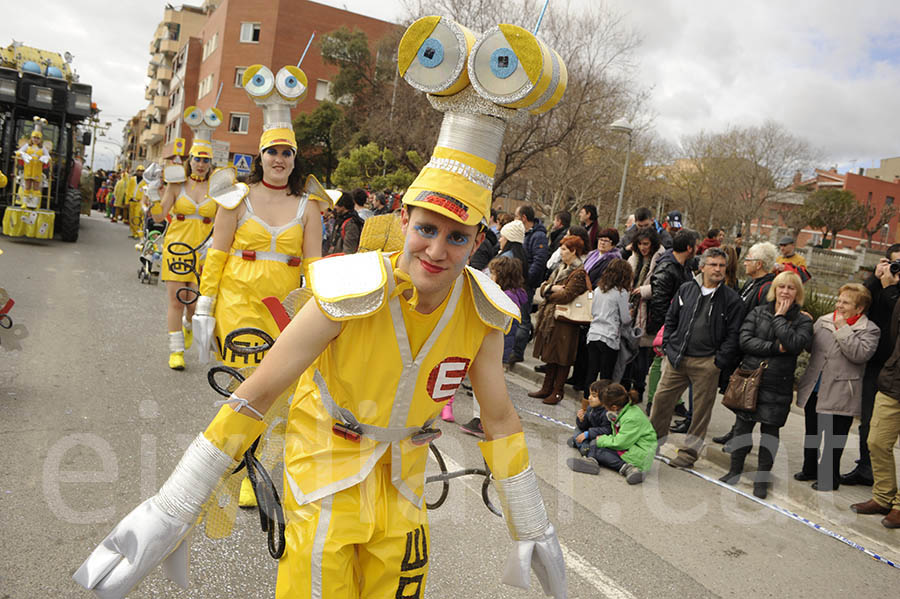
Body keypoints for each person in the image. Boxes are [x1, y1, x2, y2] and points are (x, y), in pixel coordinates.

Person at [75, 26, 566, 596]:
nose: (436, 250)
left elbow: (501, 417)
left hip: (402, 491)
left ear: (479, 238)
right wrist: (174, 505)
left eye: (457, 238)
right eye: (426, 229)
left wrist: (531, 520)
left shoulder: (482, 310)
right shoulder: (350, 289)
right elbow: (259, 391)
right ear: (403, 220)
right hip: (326, 476)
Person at [718, 271, 813, 498]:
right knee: (742, 428)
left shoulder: (804, 320)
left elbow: (794, 344)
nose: (785, 292)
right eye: (781, 287)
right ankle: (734, 470)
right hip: (751, 379)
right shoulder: (758, 312)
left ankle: (761, 480)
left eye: (791, 288)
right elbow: (745, 341)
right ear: (775, 289)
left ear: (797, 292)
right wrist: (774, 348)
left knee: (770, 433)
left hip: (778, 384)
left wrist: (779, 318)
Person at [650, 247, 743, 469]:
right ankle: (651, 442)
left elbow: (734, 334)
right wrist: (669, 346)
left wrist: (718, 361)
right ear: (702, 266)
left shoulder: (731, 299)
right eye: (713, 264)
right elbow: (671, 319)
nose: (718, 269)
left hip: (707, 363)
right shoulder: (686, 289)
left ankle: (689, 453)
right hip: (677, 358)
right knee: (661, 400)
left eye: (721, 265)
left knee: (701, 410)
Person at [155, 106, 221, 370]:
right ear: (190, 159)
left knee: (193, 305)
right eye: (197, 159)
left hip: (203, 251)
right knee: (175, 300)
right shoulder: (176, 184)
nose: (201, 164)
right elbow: (160, 216)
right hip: (176, 247)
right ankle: (176, 350)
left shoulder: (217, 187)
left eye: (205, 160)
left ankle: (187, 326)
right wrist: (151, 195)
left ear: (210, 162)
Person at [795, 283, 878, 491]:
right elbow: (809, 346)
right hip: (815, 386)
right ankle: (809, 468)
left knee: (833, 438)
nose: (840, 305)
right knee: (812, 432)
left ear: (859, 309)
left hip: (842, 390)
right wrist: (804, 324)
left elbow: (859, 355)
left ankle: (829, 478)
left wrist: (843, 328)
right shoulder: (824, 321)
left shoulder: (870, 330)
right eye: (839, 300)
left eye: (846, 302)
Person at [843, 244, 900, 486]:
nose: (896, 270)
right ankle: (866, 468)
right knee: (868, 421)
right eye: (893, 263)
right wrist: (875, 278)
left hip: (895, 367)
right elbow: (860, 301)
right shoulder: (879, 284)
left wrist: (890, 287)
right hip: (876, 365)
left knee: (884, 430)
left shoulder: (893, 289)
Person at [713, 241, 779, 447]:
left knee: (747, 396)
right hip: (742, 347)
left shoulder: (767, 288)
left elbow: (762, 322)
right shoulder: (752, 283)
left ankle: (741, 438)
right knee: (740, 395)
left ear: (759, 264)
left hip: (751, 351)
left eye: (749, 259)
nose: (745, 263)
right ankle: (737, 432)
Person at [460, 256, 529, 436]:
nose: (490, 276)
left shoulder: (502, 298)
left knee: (486, 387)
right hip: (503, 348)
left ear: (502, 276)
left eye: (493, 273)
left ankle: (482, 420)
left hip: (495, 349)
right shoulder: (515, 295)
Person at [528, 235, 588, 405]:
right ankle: (547, 387)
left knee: (562, 356)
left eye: (564, 249)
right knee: (551, 354)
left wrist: (548, 291)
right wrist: (551, 288)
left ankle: (557, 391)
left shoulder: (579, 272)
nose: (560, 252)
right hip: (552, 317)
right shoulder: (560, 267)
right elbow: (544, 287)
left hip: (566, 320)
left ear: (573, 251)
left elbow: (566, 295)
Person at [645, 229, 697, 408]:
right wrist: (666, 327)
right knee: (660, 361)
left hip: (680, 322)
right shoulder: (667, 268)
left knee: (675, 364)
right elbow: (659, 302)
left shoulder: (685, 266)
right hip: (668, 323)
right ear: (689, 248)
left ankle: (675, 400)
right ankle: (654, 400)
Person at [566, 383, 657, 484]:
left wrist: (600, 440)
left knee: (598, 447)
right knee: (595, 444)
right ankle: (591, 460)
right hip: (631, 447)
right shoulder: (623, 410)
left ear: (613, 407)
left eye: (605, 406)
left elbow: (621, 443)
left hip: (641, 454)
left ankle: (629, 468)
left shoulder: (631, 418)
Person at [583, 258, 633, 395]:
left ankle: (586, 403)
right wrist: (630, 313)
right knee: (606, 377)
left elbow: (593, 311)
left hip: (593, 334)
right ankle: (602, 405)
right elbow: (625, 319)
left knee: (591, 373)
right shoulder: (621, 293)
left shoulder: (599, 289)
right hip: (609, 337)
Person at [627, 228, 665, 402]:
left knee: (642, 352)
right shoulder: (635, 258)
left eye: (646, 244)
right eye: (640, 244)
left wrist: (643, 291)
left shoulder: (659, 259)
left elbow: (660, 286)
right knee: (629, 351)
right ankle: (628, 386)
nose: (643, 247)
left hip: (647, 309)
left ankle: (639, 389)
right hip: (632, 306)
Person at [508, 204, 548, 363]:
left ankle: (517, 352)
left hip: (525, 284)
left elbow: (539, 261)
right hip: (518, 281)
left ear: (524, 218)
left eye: (517, 217)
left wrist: (526, 279)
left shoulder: (538, 236)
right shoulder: (526, 234)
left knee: (523, 320)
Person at [568, 379, 612, 455]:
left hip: (599, 436)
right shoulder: (590, 408)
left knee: (595, 442)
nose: (589, 398)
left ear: (604, 398)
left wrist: (588, 434)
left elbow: (607, 430)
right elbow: (585, 425)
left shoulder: (607, 413)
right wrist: (581, 420)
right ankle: (582, 444)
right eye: (590, 394)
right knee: (578, 429)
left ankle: (582, 445)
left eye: (594, 396)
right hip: (591, 432)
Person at [15, 118, 50, 209]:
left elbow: (48, 157)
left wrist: (43, 158)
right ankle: (25, 203)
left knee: (36, 187)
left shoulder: (42, 148)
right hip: (28, 169)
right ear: (31, 138)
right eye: (34, 137)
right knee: (27, 186)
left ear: (40, 139)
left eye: (38, 138)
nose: (36, 139)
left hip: (37, 170)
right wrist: (24, 155)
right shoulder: (27, 146)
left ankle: (35, 204)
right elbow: (18, 152)